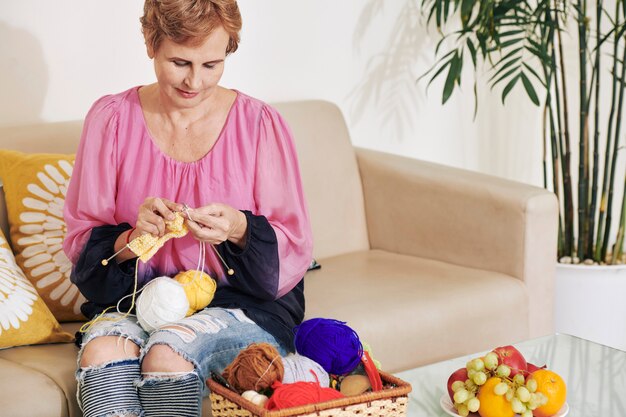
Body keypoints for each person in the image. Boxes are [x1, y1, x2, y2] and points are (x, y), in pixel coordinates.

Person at [62, 1, 313, 416]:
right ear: (149, 43)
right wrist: (133, 237)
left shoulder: (260, 124)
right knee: (102, 354)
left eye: (212, 64)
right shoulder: (111, 119)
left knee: (167, 353)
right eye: (180, 62)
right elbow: (82, 238)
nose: (195, 81)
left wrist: (237, 228)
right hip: (138, 299)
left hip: (241, 302)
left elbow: (294, 244)